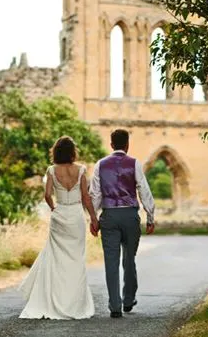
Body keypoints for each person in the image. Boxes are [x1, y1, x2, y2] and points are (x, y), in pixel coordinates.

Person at [18, 136, 98, 320]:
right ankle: (75, 305)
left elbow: (47, 195)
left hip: (60, 215)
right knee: (76, 260)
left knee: (57, 261)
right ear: (72, 152)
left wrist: (54, 208)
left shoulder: (52, 170)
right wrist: (93, 218)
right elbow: (86, 198)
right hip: (76, 217)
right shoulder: (81, 170)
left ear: (55, 152)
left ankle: (53, 300)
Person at [89, 128, 155, 318]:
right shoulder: (134, 164)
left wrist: (94, 219)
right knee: (129, 259)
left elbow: (95, 194)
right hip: (129, 216)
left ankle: (115, 306)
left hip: (109, 215)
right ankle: (128, 300)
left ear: (111, 145)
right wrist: (150, 217)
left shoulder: (100, 165)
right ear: (127, 144)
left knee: (111, 261)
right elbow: (144, 190)